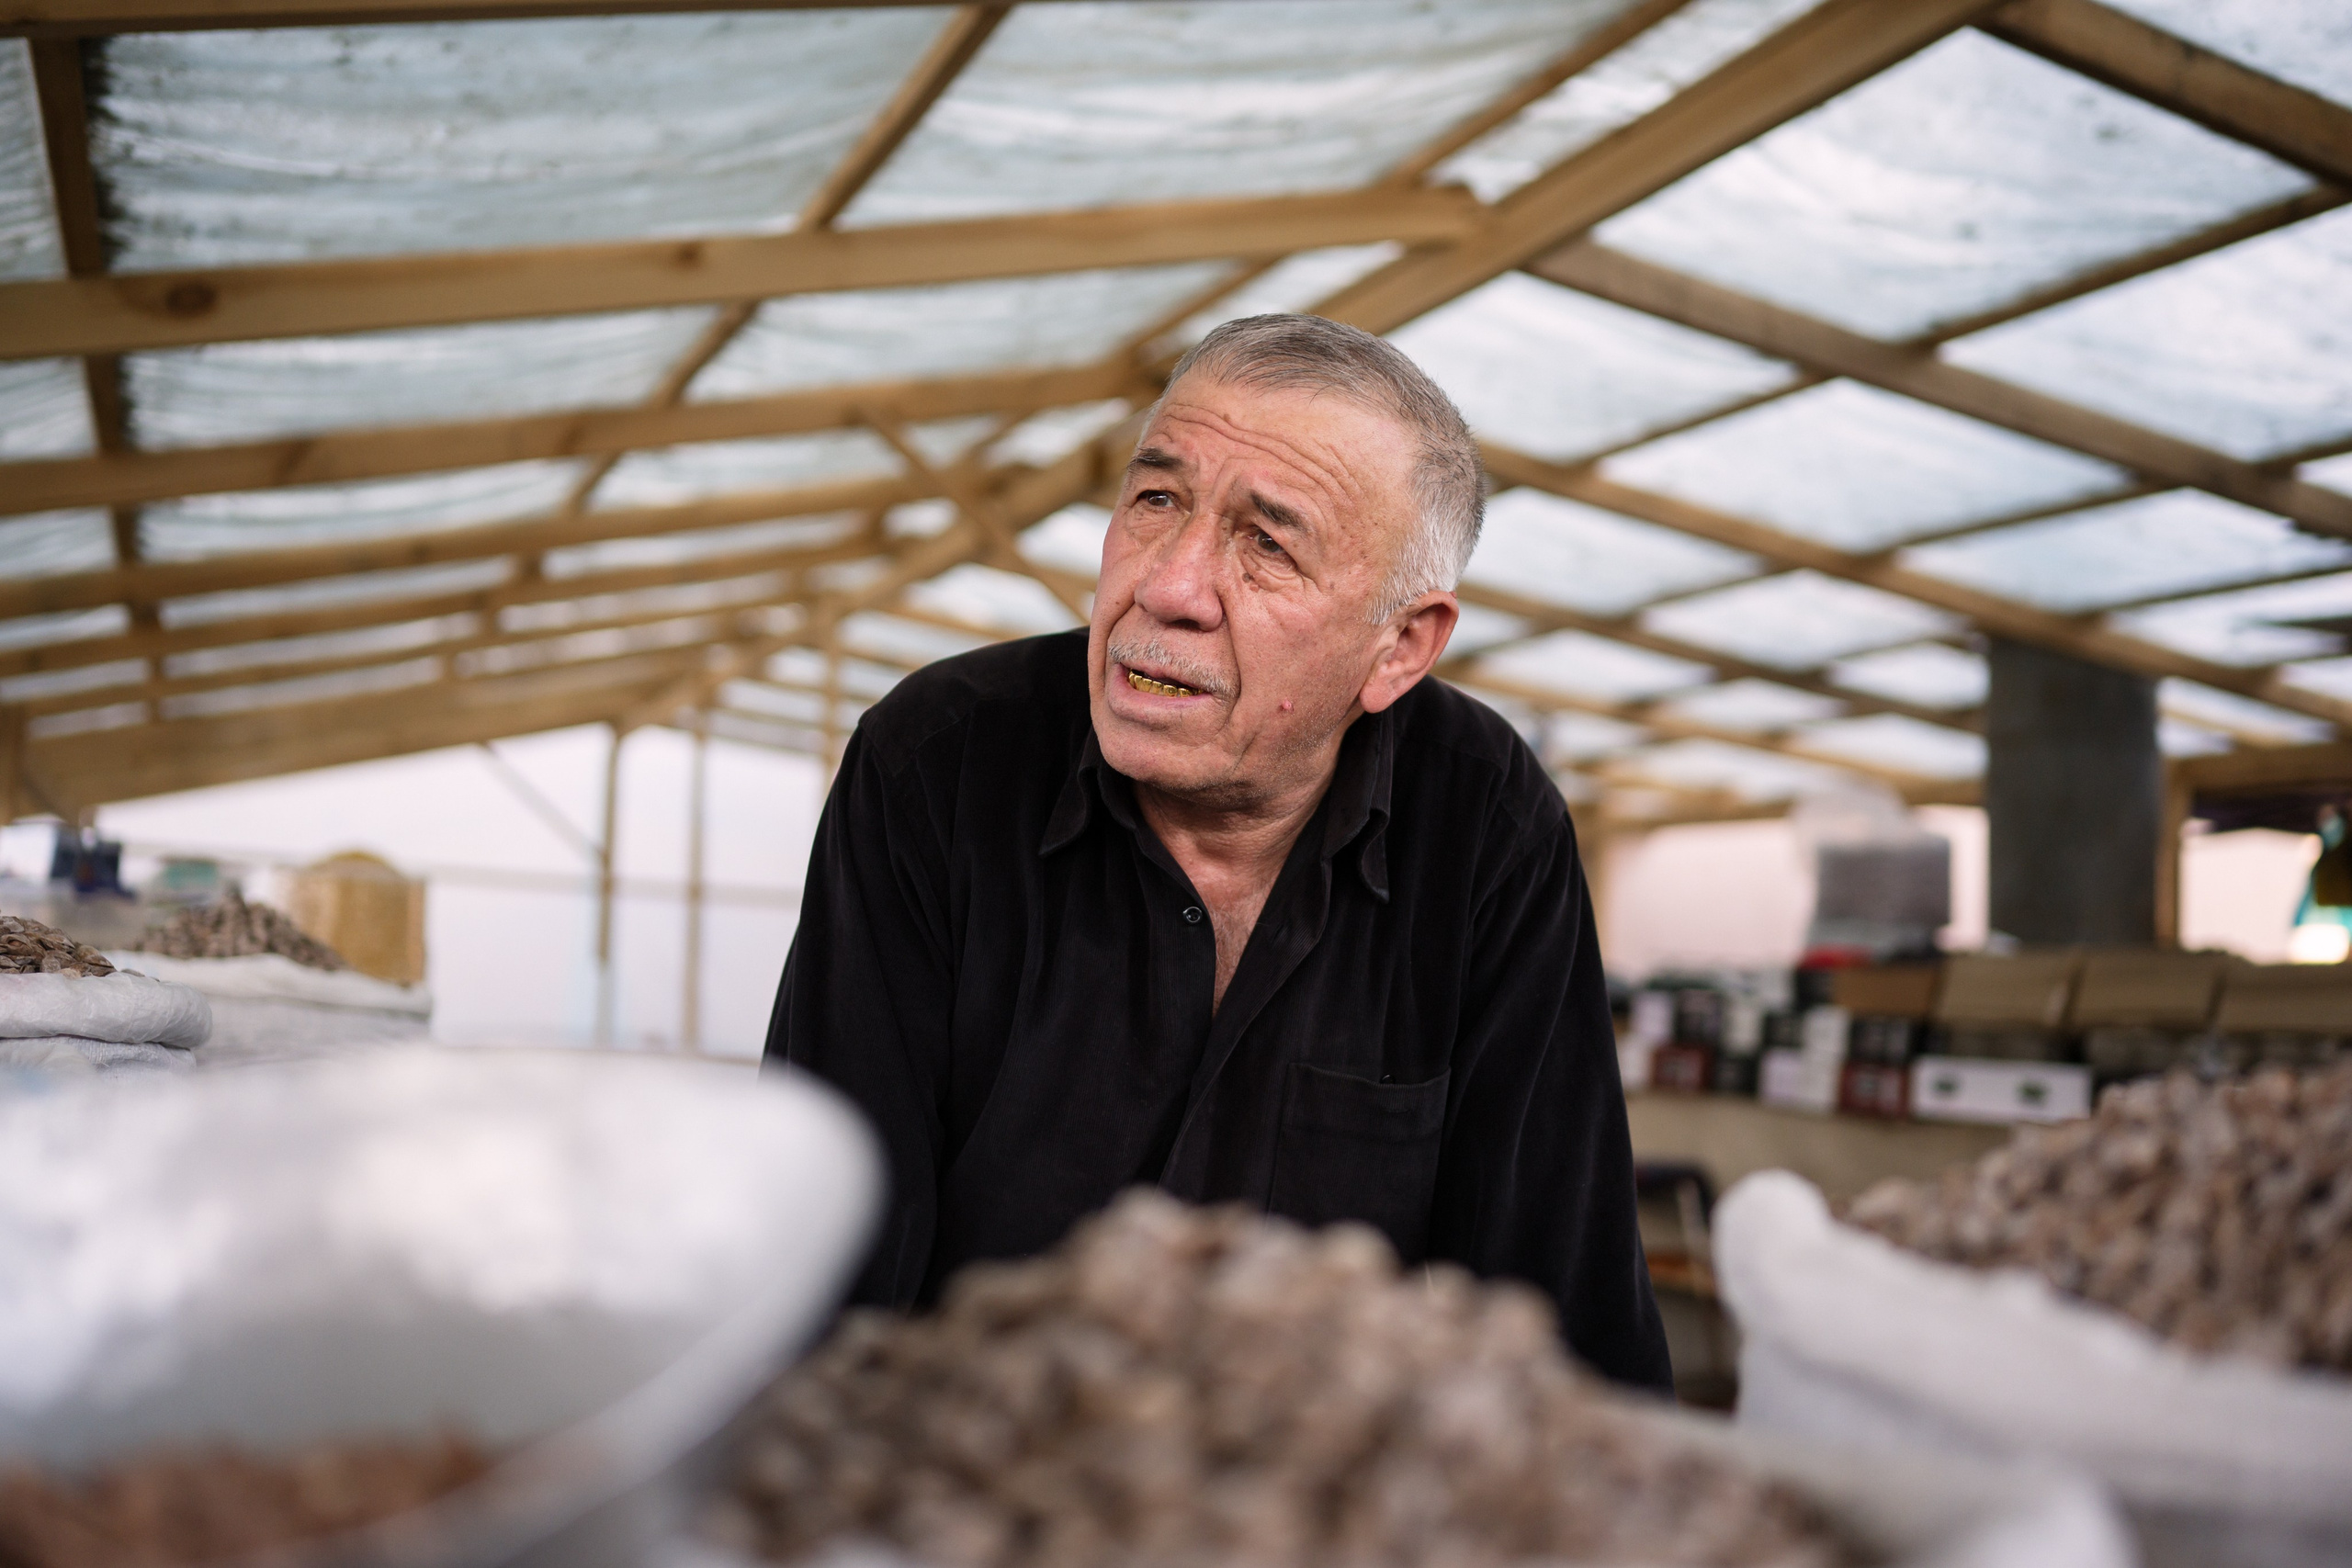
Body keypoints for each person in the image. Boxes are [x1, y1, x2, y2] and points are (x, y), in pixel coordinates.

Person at [766, 313, 1671, 1392]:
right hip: (966, 1457)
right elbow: (818, 1249)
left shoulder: (1489, 829)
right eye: (1156, 500)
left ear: (1399, 647)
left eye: (1267, 543)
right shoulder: (938, 763)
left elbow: (1566, 1303)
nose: (1169, 588)